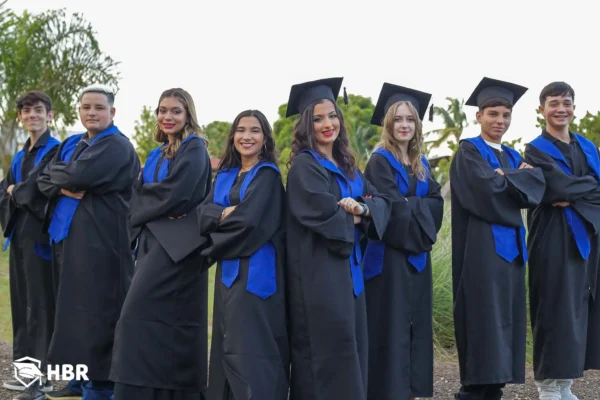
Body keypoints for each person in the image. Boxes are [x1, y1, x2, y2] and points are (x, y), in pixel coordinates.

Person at [284, 77, 391, 400]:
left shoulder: (347, 165)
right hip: (320, 276)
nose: (327, 124)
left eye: (332, 116)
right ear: (306, 124)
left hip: (350, 274)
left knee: (351, 350)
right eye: (318, 119)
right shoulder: (305, 166)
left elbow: (380, 200)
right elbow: (322, 215)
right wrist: (360, 214)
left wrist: (362, 210)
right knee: (328, 356)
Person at [37, 84, 140, 400]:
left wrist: (63, 177)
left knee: (99, 316)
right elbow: (44, 178)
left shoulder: (117, 146)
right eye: (86, 107)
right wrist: (64, 177)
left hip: (104, 245)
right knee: (74, 313)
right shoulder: (78, 144)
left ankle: (101, 386)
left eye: (99, 107)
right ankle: (80, 379)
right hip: (75, 241)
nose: (92, 112)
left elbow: (74, 177)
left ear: (112, 112)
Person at [110, 88, 212, 400]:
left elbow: (177, 193)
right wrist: (147, 200)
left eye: (175, 111)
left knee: (137, 315)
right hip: (153, 242)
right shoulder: (157, 153)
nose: (168, 117)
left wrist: (145, 199)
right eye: (162, 110)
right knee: (152, 321)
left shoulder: (195, 149)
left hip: (180, 247)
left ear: (188, 116)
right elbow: (137, 192)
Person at [450, 77, 545, 400]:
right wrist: (517, 181)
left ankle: (494, 391)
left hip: (511, 254)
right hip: (481, 252)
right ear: (479, 116)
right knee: (483, 321)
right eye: (493, 113)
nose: (500, 121)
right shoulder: (468, 152)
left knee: (505, 323)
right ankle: (473, 392)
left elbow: (535, 188)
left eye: (505, 114)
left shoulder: (509, 154)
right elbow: (485, 193)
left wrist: (510, 177)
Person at [197, 109, 289, 400]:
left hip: (256, 275)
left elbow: (249, 222)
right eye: (241, 130)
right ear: (233, 136)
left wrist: (216, 222)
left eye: (254, 130)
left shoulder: (268, 177)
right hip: (228, 274)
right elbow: (202, 214)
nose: (246, 136)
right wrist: (224, 213)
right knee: (226, 344)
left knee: (250, 347)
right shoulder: (224, 174)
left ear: (265, 139)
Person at [362, 83, 444, 400]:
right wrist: (414, 206)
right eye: (398, 119)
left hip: (416, 257)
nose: (405, 125)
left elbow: (436, 203)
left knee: (414, 326)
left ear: (417, 125)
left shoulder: (420, 163)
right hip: (388, 258)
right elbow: (389, 208)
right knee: (390, 327)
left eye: (410, 119)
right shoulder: (379, 161)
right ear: (388, 124)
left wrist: (412, 206)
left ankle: (409, 391)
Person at [524, 81, 600, 400]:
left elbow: (585, 188)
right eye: (553, 103)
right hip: (551, 235)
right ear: (541, 110)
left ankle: (566, 383)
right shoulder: (534, 149)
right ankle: (547, 384)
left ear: (574, 108)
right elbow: (554, 190)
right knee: (552, 306)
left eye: (566, 103)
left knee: (577, 307)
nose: (561, 109)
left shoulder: (588, 147)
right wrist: (583, 190)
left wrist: (574, 191)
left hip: (585, 234)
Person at [0, 91, 60, 399]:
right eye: (26, 111)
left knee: (40, 308)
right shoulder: (22, 154)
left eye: (38, 110)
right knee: (22, 306)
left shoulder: (56, 150)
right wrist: (13, 189)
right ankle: (26, 376)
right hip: (19, 237)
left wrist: (15, 189)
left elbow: (39, 189)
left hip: (42, 239)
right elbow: (6, 189)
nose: (32, 115)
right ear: (20, 118)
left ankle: (42, 380)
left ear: (49, 115)